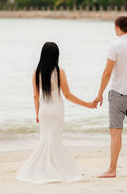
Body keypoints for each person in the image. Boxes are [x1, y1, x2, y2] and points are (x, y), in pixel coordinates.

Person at [16, 42, 96, 183]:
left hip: (44, 111)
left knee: (45, 140)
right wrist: (87, 104)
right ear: (56, 55)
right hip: (57, 110)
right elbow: (68, 95)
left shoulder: (36, 72)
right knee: (55, 140)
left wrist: (37, 113)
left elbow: (35, 96)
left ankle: (44, 169)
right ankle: (56, 170)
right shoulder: (60, 72)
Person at [93, 16, 127, 178]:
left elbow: (107, 73)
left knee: (115, 132)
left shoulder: (115, 46)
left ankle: (112, 169)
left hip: (118, 94)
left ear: (117, 28)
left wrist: (99, 93)